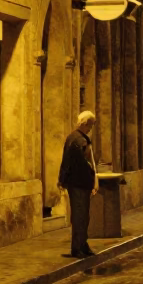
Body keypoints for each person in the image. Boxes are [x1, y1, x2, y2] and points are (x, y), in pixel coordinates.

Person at [58, 110, 98, 258]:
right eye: (91, 125)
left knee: (83, 216)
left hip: (80, 183)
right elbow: (78, 163)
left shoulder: (77, 138)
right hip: (78, 183)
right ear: (85, 123)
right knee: (79, 216)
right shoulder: (77, 140)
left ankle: (82, 245)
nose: (91, 128)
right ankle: (78, 248)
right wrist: (92, 178)